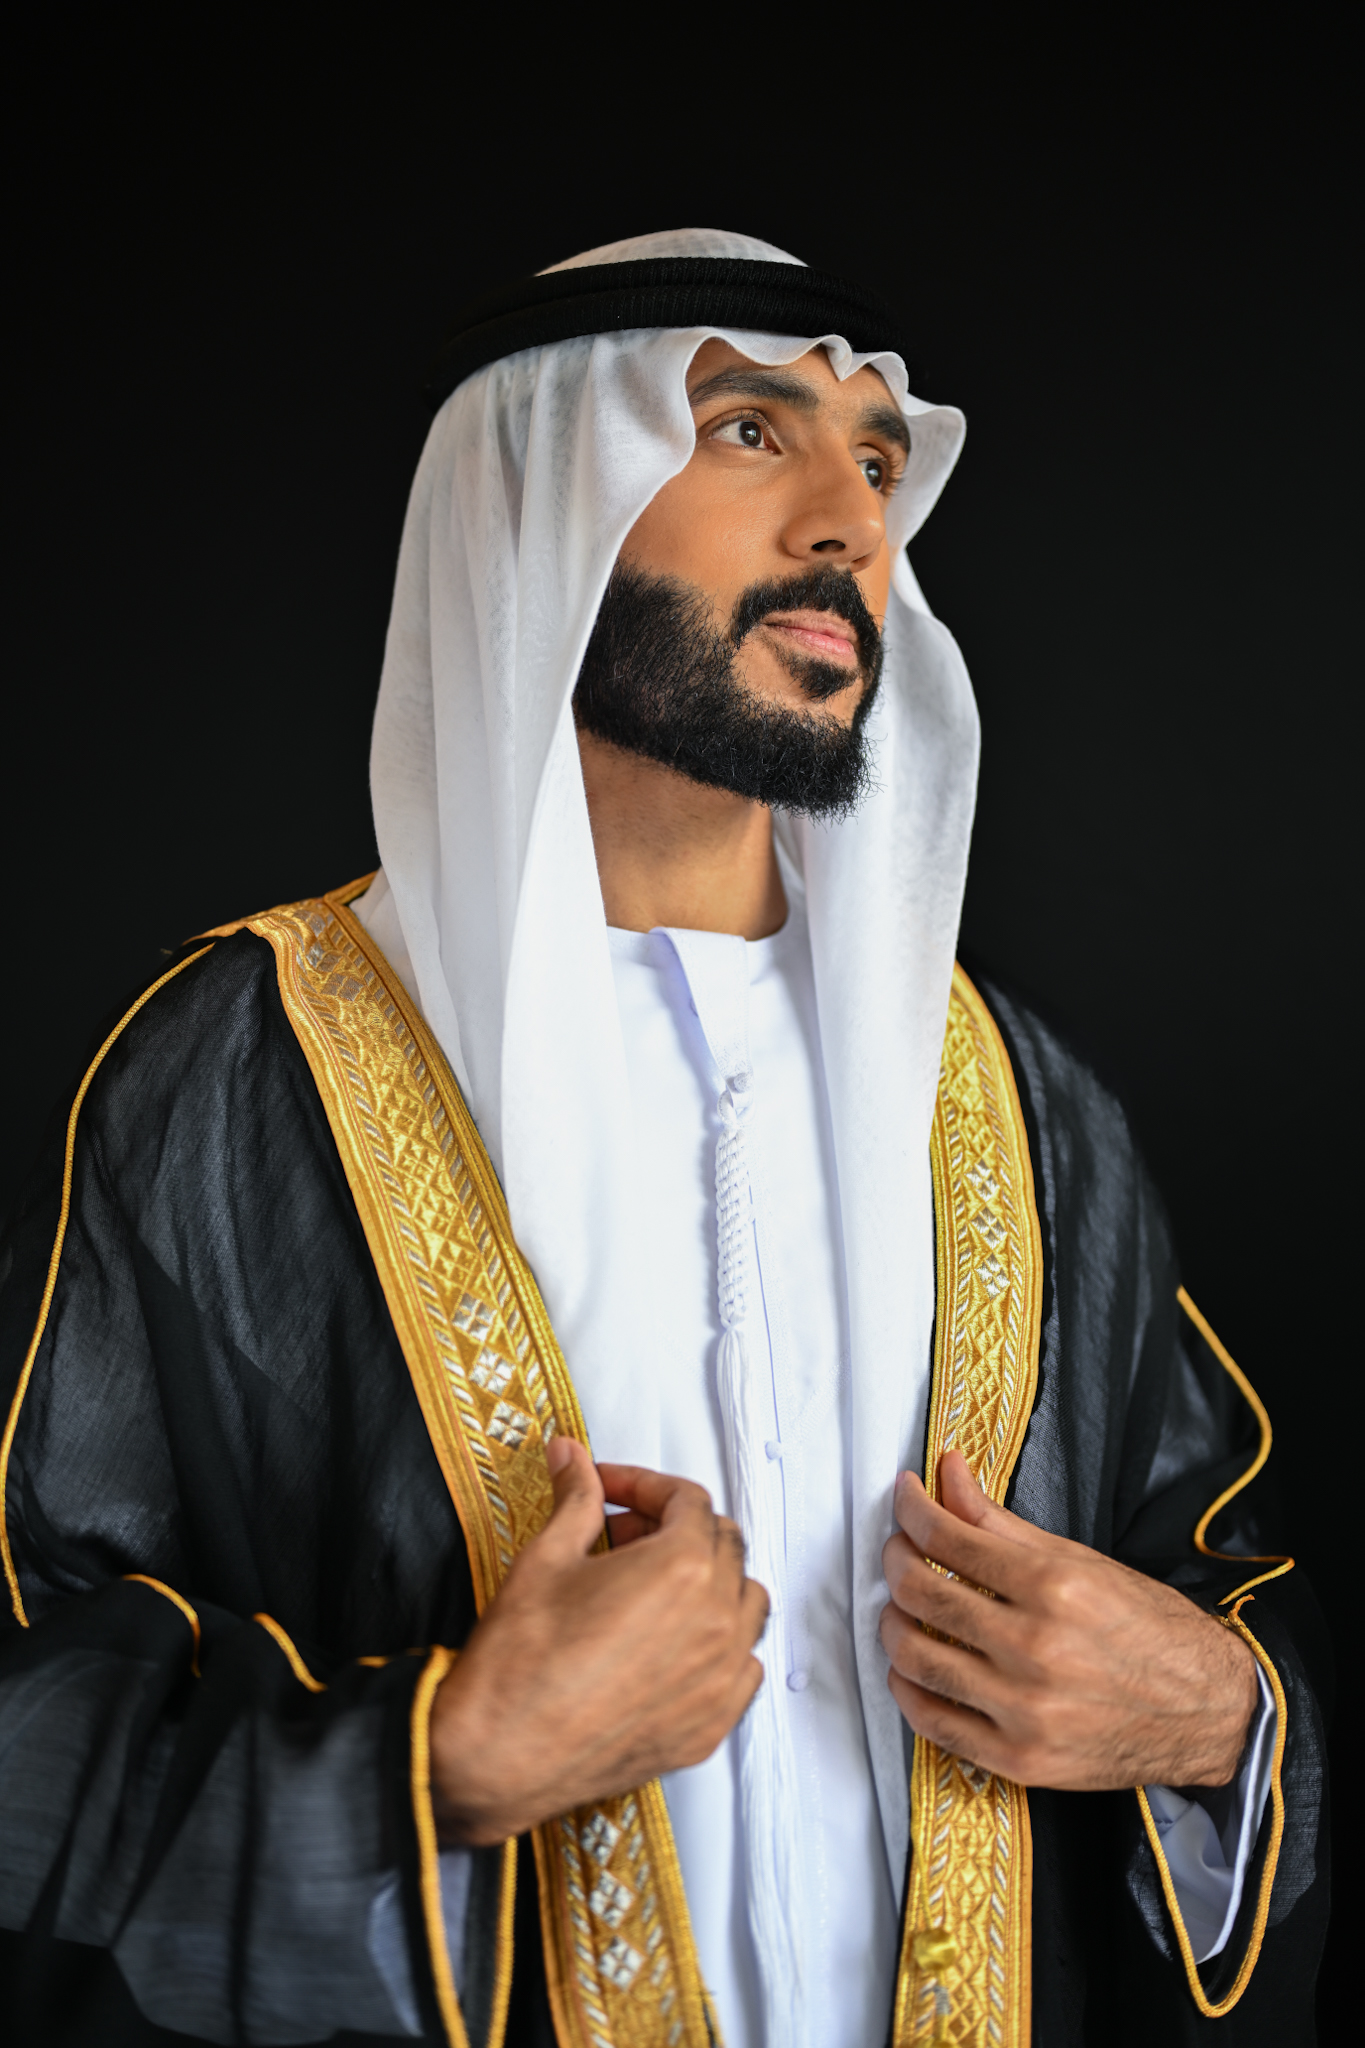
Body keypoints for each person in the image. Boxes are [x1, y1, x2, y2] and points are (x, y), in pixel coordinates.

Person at [0, 229, 1328, 2048]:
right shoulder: (234, 1076)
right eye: (747, 433)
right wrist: (439, 1764)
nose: (848, 525)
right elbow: (31, 1698)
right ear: (540, 495)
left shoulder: (1016, 1106)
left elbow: (1214, 1578)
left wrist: (1211, 1721)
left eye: (877, 462)